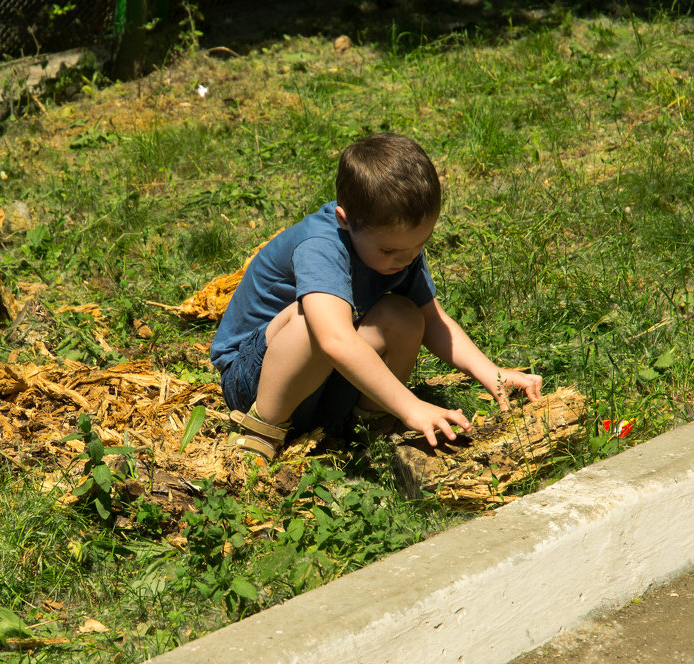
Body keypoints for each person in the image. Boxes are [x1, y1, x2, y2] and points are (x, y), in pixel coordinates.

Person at [209, 132, 542, 461]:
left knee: (405, 315)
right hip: (256, 382)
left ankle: (365, 426)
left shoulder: (399, 249)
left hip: (321, 383)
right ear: (345, 220)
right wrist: (411, 406)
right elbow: (334, 341)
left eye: (419, 246)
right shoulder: (321, 245)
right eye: (390, 251)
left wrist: (492, 374)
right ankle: (262, 429)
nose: (407, 260)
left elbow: (433, 321)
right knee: (312, 323)